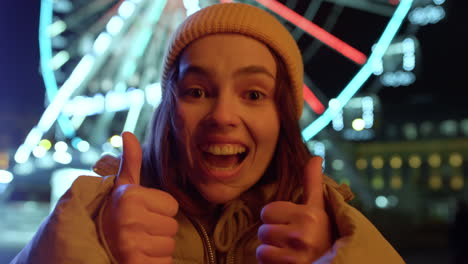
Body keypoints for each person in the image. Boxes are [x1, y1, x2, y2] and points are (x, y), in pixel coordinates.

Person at [11, 2, 404, 264]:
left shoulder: (341, 233)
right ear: (168, 110)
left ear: (283, 115)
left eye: (253, 93)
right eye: (196, 91)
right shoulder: (89, 216)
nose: (222, 116)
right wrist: (95, 249)